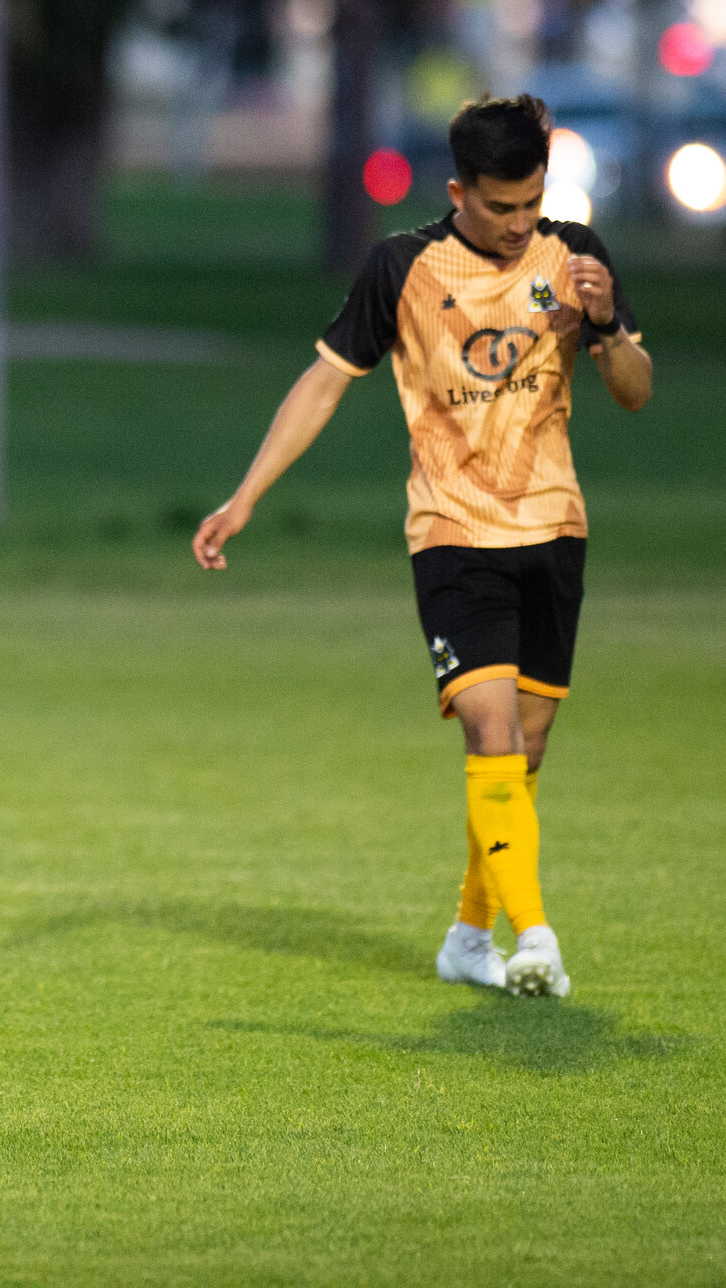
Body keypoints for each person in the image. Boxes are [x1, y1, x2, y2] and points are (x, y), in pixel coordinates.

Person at [192, 94, 651, 999]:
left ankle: (469, 935)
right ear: (458, 191)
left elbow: (634, 390)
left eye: (532, 205)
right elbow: (324, 383)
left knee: (524, 753)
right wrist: (247, 496)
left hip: (554, 529)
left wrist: (602, 327)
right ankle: (538, 936)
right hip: (452, 534)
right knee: (487, 728)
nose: (520, 225)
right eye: (500, 208)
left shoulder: (579, 259)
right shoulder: (403, 267)